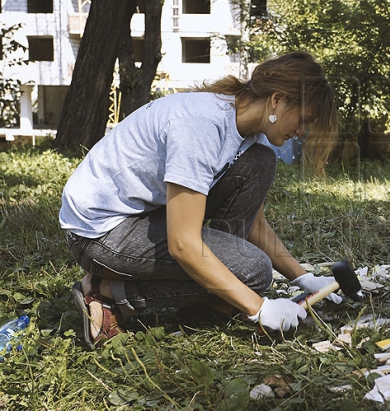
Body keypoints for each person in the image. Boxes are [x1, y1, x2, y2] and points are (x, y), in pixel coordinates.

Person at [61, 52, 345, 347]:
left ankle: (218, 291)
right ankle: (107, 292)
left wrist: (304, 278)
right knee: (255, 271)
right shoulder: (201, 126)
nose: (302, 132)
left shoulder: (251, 136)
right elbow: (182, 243)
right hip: (99, 234)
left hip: (143, 214)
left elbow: (254, 225)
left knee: (261, 163)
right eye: (304, 120)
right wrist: (257, 307)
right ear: (277, 100)